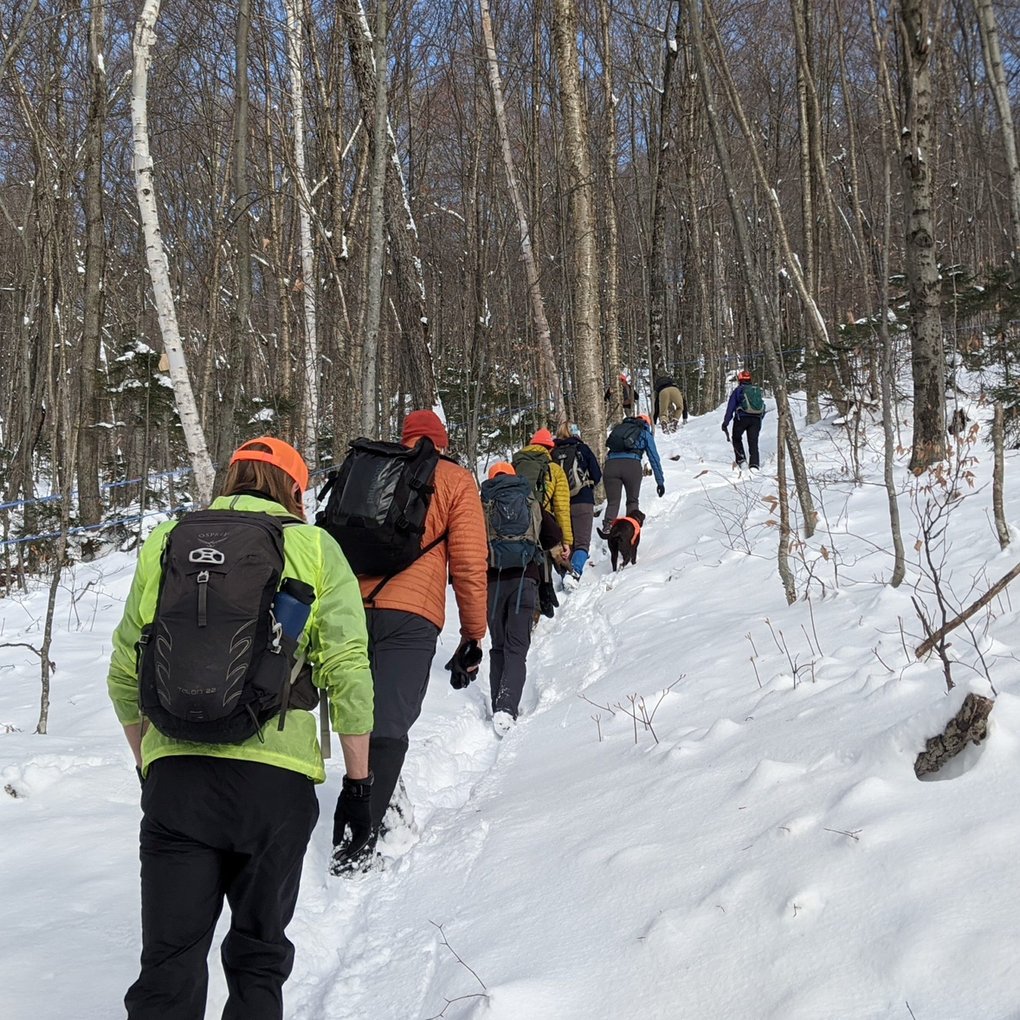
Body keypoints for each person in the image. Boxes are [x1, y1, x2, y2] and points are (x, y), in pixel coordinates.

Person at [107, 437, 374, 1020]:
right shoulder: (314, 547)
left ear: (230, 479)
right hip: (274, 787)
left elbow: (125, 668)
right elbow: (348, 671)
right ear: (296, 490)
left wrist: (147, 761)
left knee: (169, 963)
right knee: (258, 958)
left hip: (177, 778)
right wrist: (359, 783)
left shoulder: (169, 540)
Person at [335, 409, 489, 872]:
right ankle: (356, 852)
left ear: (405, 439)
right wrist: (473, 634)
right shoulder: (456, 480)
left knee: (361, 711)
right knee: (389, 725)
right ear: (441, 442)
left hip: (352, 608)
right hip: (411, 615)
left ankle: (379, 810)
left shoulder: (374, 475)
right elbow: (467, 564)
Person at [483, 463, 566, 736]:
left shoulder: (483, 502)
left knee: (498, 646)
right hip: (525, 579)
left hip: (493, 582)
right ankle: (507, 707)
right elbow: (553, 535)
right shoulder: (531, 500)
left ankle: (498, 703)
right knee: (517, 647)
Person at [512, 428, 574, 615]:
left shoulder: (514, 465)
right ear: (550, 448)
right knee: (542, 561)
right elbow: (562, 508)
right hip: (542, 524)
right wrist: (566, 541)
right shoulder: (554, 469)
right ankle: (540, 602)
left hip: (517, 523)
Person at [598, 413, 665, 538]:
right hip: (632, 466)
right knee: (632, 501)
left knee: (613, 502)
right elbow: (654, 458)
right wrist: (660, 481)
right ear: (646, 423)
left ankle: (607, 527)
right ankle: (631, 533)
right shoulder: (644, 433)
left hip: (611, 466)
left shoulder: (619, 430)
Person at [552, 422, 602, 578]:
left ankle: (564, 572)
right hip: (583, 500)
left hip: (560, 504)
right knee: (582, 543)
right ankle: (575, 573)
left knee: (567, 543)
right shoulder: (582, 449)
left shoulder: (552, 453)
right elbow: (597, 474)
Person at [722, 369, 766, 471]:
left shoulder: (738, 390)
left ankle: (741, 461)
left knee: (737, 438)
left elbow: (730, 408)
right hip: (756, 420)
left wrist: (726, 422)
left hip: (741, 418)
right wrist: (759, 418)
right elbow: (762, 406)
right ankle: (754, 464)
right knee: (753, 442)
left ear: (740, 380)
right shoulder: (756, 390)